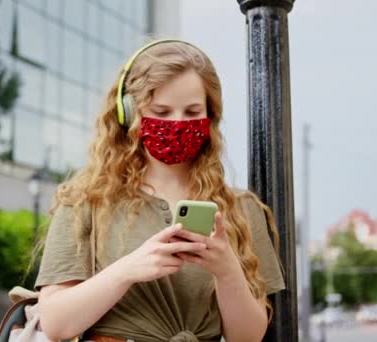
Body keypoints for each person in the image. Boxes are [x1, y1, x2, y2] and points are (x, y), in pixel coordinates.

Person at [32, 39, 286, 342]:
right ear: (128, 113)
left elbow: (247, 338)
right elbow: (55, 322)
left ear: (209, 117)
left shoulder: (242, 209)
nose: (177, 123)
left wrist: (227, 269)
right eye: (161, 111)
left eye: (192, 111)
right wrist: (128, 269)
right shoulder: (84, 201)